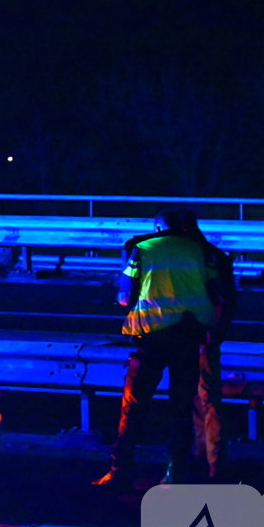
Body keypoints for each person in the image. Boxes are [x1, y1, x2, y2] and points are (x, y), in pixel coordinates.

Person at [93, 208, 218, 489]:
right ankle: (175, 473)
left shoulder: (143, 248)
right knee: (181, 407)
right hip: (189, 335)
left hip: (151, 337)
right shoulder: (200, 249)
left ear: (158, 227)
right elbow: (215, 289)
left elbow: (124, 297)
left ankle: (120, 470)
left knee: (133, 406)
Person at [182, 210, 237, 482]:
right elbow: (227, 298)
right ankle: (208, 459)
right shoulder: (213, 254)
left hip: (194, 335)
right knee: (204, 399)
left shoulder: (189, 257)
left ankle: (208, 461)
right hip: (205, 335)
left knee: (201, 400)